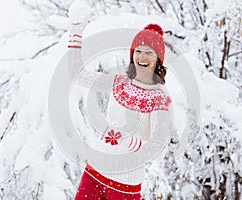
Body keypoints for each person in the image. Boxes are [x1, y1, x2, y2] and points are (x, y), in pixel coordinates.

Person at [69, 21, 172, 200]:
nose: (142, 57)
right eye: (138, 51)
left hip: (124, 185)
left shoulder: (159, 98)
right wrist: (75, 36)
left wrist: (133, 143)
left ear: (158, 60)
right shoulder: (119, 82)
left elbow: (160, 147)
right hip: (94, 172)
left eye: (149, 52)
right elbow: (79, 75)